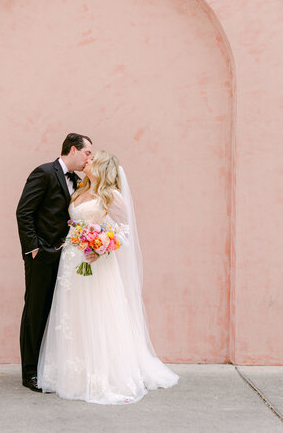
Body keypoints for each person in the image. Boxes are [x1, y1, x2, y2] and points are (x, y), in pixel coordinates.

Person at [37, 150, 179, 404]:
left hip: (98, 264)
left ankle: (101, 375)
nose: (87, 161)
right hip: (72, 262)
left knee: (97, 313)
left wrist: (102, 246)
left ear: (102, 167)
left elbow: (124, 231)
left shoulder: (111, 195)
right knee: (74, 314)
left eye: (93, 160)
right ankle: (72, 373)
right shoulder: (79, 191)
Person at [16, 133, 93, 392]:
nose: (89, 158)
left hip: (67, 258)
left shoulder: (79, 182)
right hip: (43, 256)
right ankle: (29, 374)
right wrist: (34, 249)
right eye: (87, 153)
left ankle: (48, 368)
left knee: (58, 313)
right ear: (73, 149)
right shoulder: (44, 173)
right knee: (36, 312)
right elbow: (24, 212)